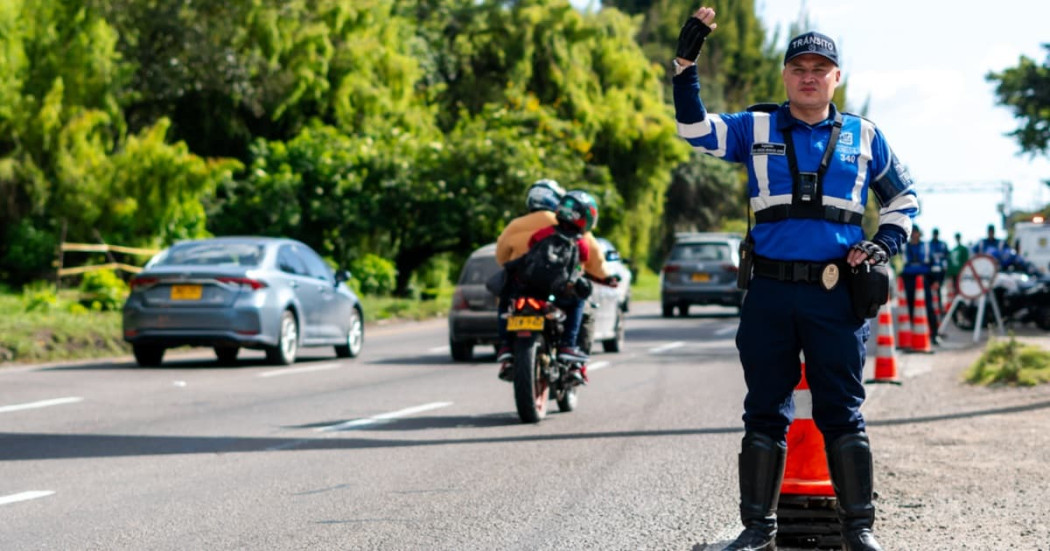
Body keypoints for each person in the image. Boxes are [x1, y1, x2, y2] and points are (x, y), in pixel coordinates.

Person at [672, 8, 918, 551]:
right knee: (764, 409)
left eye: (820, 68)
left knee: (843, 412)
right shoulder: (754, 127)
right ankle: (758, 530)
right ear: (785, 76)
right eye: (799, 67)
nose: (809, 76)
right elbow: (694, 129)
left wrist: (883, 244)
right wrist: (685, 65)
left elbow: (904, 198)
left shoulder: (864, 135)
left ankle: (859, 531)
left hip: (836, 297)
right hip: (770, 294)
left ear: (837, 77)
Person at [495, 188, 613, 383]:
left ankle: (506, 345)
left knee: (504, 302)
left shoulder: (522, 226)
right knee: (579, 304)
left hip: (527, 287)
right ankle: (569, 348)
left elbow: (503, 256)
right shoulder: (581, 239)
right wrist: (606, 277)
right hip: (557, 291)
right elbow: (589, 260)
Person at [902, 226, 939, 345]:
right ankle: (916, 334)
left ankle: (934, 334)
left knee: (928, 308)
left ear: (919, 233)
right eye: (912, 232)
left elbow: (934, 264)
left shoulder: (927, 246)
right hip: (909, 280)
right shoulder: (905, 246)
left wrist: (936, 280)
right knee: (911, 307)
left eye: (916, 232)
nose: (914, 235)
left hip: (924, 280)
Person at [928, 228, 949, 312]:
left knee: (940, 289)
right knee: (931, 289)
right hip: (931, 271)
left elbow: (947, 256)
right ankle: (932, 307)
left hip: (940, 271)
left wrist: (945, 267)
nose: (935, 235)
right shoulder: (929, 244)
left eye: (936, 234)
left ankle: (940, 307)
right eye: (934, 234)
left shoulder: (942, 244)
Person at [946, 232, 970, 299]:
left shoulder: (963, 249)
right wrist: (949, 273)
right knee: (955, 290)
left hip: (961, 273)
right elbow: (950, 262)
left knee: (962, 290)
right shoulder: (953, 250)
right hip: (954, 273)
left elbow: (966, 261)